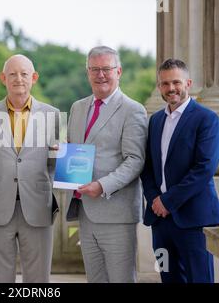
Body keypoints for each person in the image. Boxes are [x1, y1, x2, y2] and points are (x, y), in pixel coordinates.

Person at [65, 46, 147, 283]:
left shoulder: (133, 110)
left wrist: (102, 185)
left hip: (117, 212)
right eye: (95, 69)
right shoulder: (77, 108)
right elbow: (75, 147)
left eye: (106, 69)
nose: (101, 75)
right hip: (85, 211)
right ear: (87, 72)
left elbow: (135, 160)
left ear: (118, 71)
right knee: (95, 279)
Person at [140, 58, 219, 283]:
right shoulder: (156, 121)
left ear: (188, 83)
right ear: (159, 86)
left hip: (194, 221)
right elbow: (147, 167)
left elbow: (204, 168)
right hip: (161, 223)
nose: (171, 89)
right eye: (165, 84)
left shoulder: (207, 119)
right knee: (168, 278)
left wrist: (168, 201)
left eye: (176, 82)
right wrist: (155, 200)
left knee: (199, 280)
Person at [0, 54, 60, 283]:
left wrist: (36, 185)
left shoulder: (51, 115)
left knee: (38, 280)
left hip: (38, 206)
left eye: (24, 74)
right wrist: (2, 182)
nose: (18, 79)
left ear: (34, 77)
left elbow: (53, 162)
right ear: (3, 78)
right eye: (12, 74)